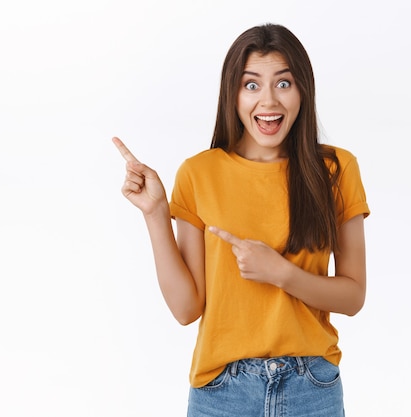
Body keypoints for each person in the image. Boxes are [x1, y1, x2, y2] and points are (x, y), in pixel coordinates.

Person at [113, 23, 369, 417]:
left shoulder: (335, 169)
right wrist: (155, 214)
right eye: (251, 85)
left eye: (283, 84)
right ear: (232, 94)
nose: (268, 101)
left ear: (303, 89)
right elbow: (186, 309)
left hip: (311, 389)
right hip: (221, 394)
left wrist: (280, 273)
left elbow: (353, 297)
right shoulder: (199, 173)